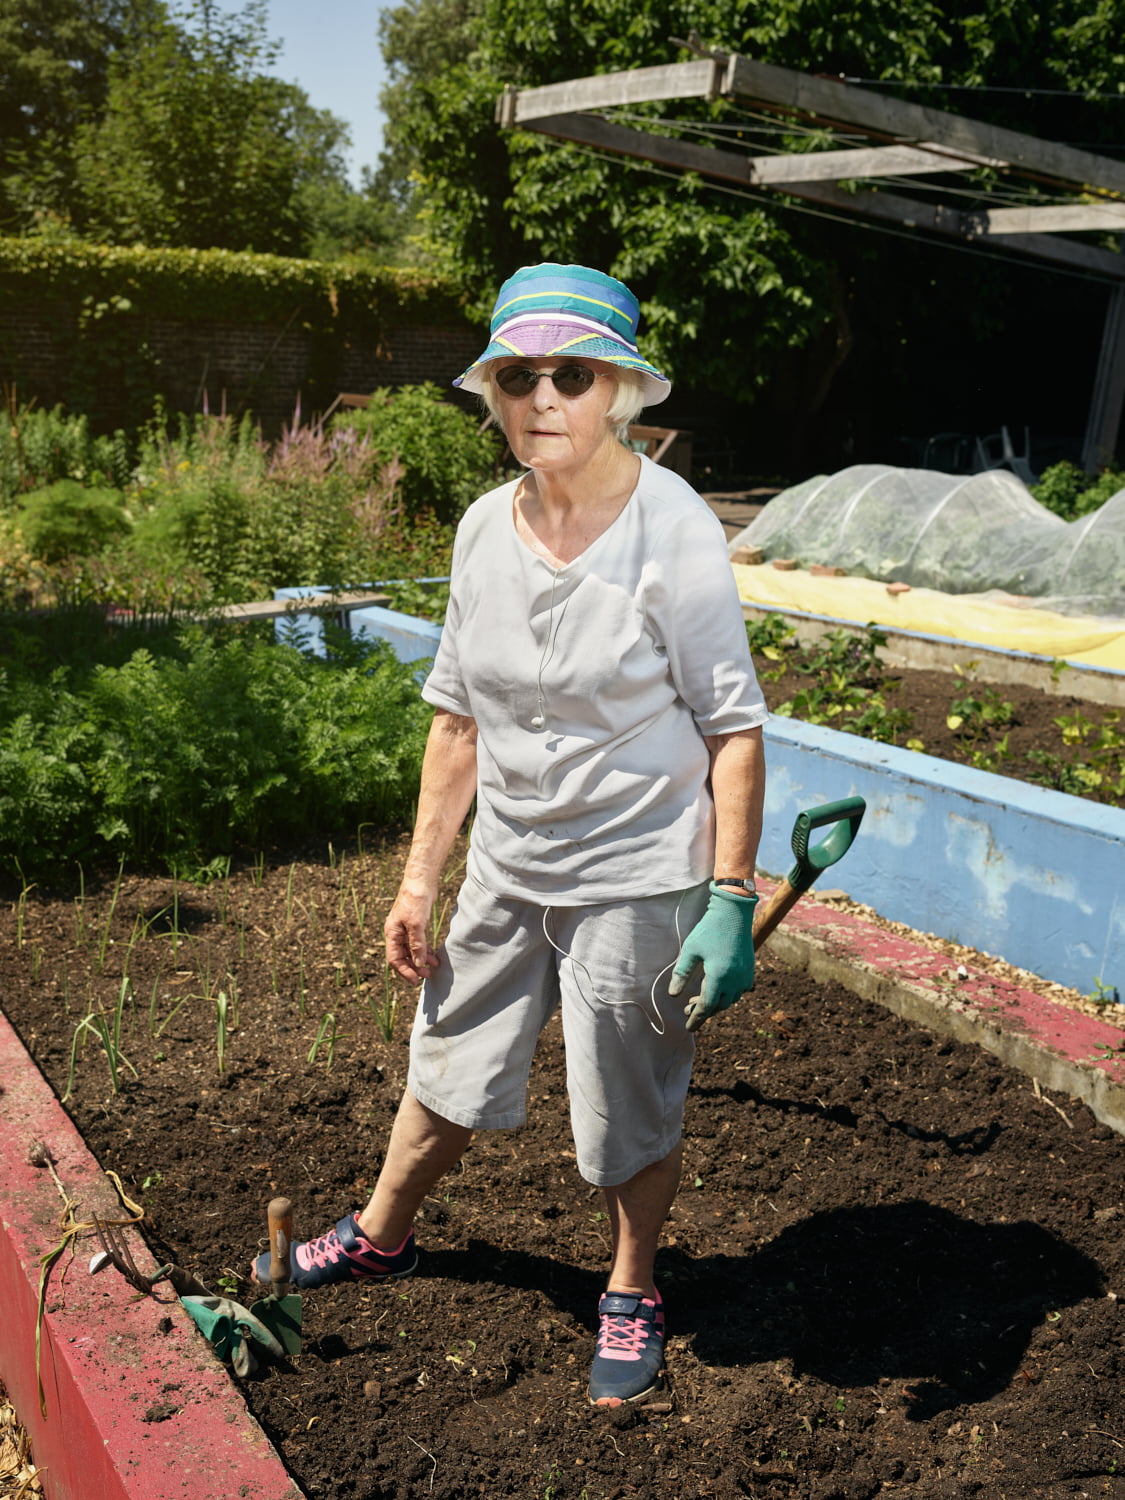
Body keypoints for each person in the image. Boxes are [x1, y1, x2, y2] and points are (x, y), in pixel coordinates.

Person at [252, 263, 768, 1408]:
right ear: (491, 393)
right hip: (508, 863)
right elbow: (457, 718)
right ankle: (385, 1231)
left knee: (624, 1105)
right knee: (447, 1057)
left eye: (571, 374)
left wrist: (728, 896)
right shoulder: (487, 526)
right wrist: (418, 881)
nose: (543, 396)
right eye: (517, 375)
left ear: (619, 393)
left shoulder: (673, 531)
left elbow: (734, 729)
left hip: (633, 874)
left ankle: (633, 1285)